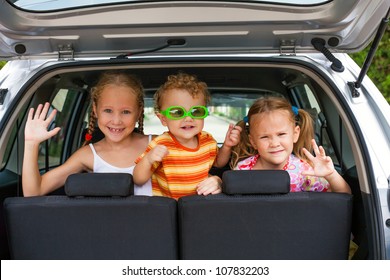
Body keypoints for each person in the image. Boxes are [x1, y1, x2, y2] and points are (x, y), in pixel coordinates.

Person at [22, 71, 153, 196]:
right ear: (95, 110)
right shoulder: (88, 155)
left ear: (139, 112)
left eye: (126, 112)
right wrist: (31, 144)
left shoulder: (158, 145)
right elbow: (34, 191)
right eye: (108, 110)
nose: (116, 121)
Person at [133, 72, 241, 200]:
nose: (188, 118)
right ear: (163, 119)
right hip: (169, 208)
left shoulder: (207, 140)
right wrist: (148, 159)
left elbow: (218, 163)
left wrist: (227, 146)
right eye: (177, 112)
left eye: (197, 111)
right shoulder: (161, 144)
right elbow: (138, 180)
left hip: (198, 204)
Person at [230, 96, 351, 193]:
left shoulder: (305, 172)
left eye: (281, 134)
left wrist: (331, 174)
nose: (274, 143)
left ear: (295, 134)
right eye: (265, 137)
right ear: (253, 142)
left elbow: (343, 195)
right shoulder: (242, 170)